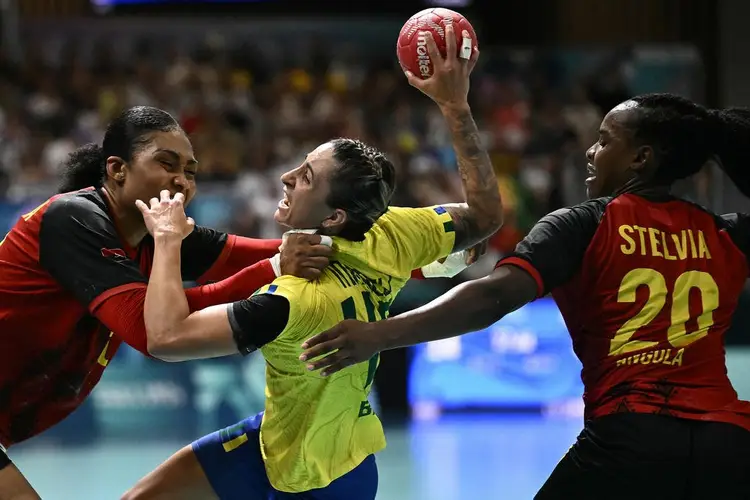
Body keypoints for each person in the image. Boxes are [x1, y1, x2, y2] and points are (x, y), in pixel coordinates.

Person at [301, 94, 750, 500]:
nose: (591, 152)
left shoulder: (584, 224)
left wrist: (379, 334)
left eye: (605, 140)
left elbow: (492, 296)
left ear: (641, 158)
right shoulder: (727, 232)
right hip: (729, 442)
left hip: (630, 434)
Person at [122, 26, 500, 500]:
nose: (285, 176)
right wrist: (454, 105)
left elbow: (166, 337)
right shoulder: (392, 231)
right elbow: (486, 214)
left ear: (334, 216)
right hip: (279, 441)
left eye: (302, 178)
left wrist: (167, 239)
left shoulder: (296, 298)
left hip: (321, 480)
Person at [0, 105, 334, 499]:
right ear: (117, 170)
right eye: (166, 163)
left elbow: (251, 256)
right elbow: (153, 329)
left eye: (190, 172)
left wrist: (355, 247)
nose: (181, 180)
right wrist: (277, 268)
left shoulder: (154, 234)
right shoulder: (74, 219)